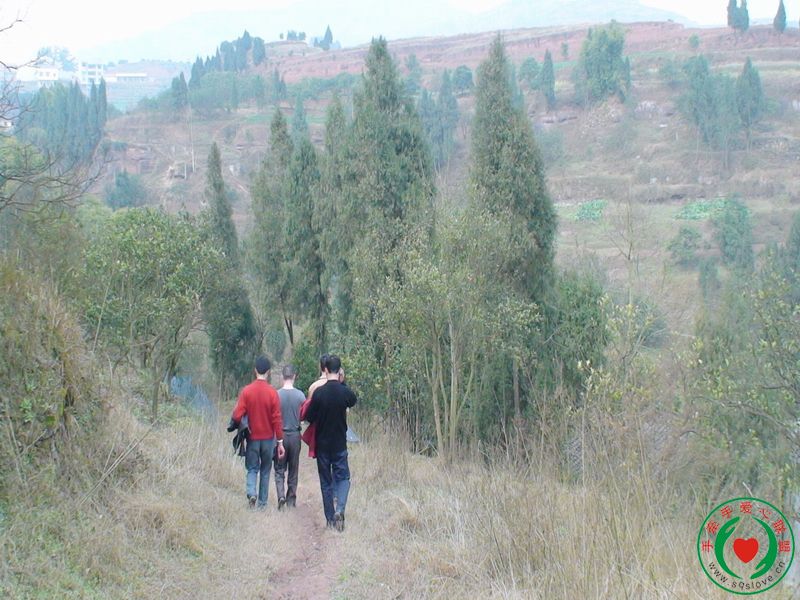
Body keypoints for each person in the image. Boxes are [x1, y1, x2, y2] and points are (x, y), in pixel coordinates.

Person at [304, 354, 357, 531]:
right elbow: (353, 400)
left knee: (326, 482)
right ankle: (340, 508)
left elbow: (309, 416)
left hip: (323, 446)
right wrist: (343, 382)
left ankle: (330, 520)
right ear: (339, 370)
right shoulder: (344, 392)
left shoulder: (319, 393)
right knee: (343, 478)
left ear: (325, 370)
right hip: (340, 444)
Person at [230, 356, 285, 509]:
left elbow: (237, 415)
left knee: (252, 468)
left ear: (255, 370)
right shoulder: (273, 393)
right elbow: (277, 419)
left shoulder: (247, 391)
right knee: (265, 471)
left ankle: (251, 493)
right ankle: (262, 504)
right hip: (268, 439)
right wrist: (280, 441)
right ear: (268, 372)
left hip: (252, 438)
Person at [273, 364, 305, 510]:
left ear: (282, 376)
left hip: (280, 436)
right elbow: (303, 416)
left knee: (279, 468)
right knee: (293, 468)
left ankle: (280, 496)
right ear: (294, 376)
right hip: (295, 435)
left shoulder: (276, 395)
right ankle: (291, 499)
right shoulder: (300, 395)